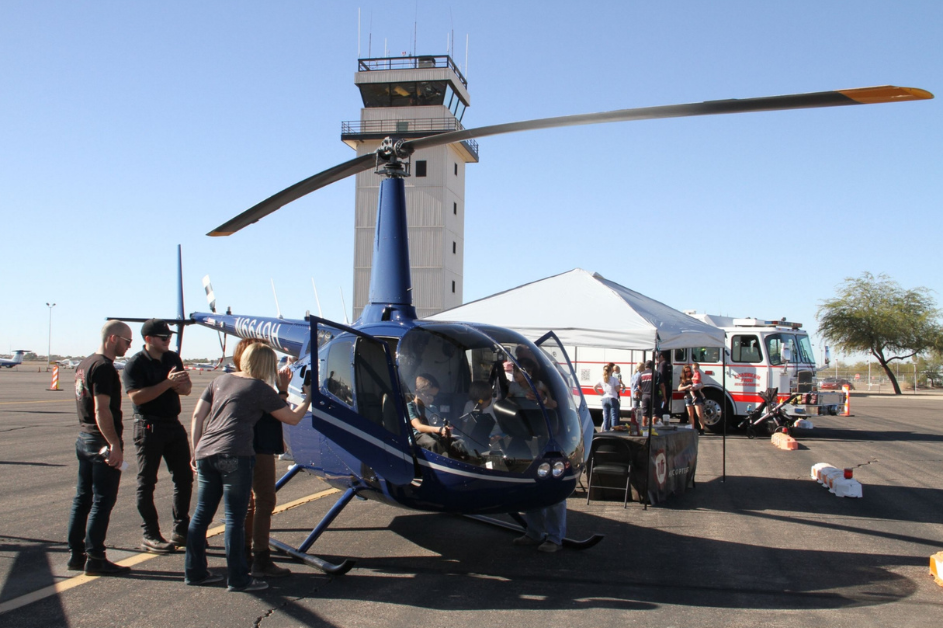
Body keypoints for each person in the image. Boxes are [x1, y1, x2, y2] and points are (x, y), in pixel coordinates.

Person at [185, 343, 312, 592]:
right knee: (235, 517)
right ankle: (239, 578)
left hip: (206, 452)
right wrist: (309, 397)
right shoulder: (259, 387)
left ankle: (195, 572)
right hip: (236, 454)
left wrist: (195, 450)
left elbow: (197, 416)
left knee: (201, 515)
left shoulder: (220, 381)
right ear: (266, 365)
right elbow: (292, 418)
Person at [67, 321, 134, 576]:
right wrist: (114, 444)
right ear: (113, 339)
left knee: (82, 498)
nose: (129, 346)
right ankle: (95, 557)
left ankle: (76, 554)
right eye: (127, 341)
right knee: (102, 501)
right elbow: (101, 409)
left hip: (84, 438)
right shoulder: (105, 368)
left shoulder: (85, 363)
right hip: (100, 442)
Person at [122, 318, 193, 553]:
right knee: (147, 481)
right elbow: (137, 397)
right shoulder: (135, 364)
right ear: (148, 339)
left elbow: (186, 389)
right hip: (148, 426)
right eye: (164, 338)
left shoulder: (173, 358)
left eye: (169, 337)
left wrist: (178, 386)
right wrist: (168, 383)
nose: (168, 340)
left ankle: (181, 529)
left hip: (172, 424)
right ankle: (150, 533)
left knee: (184, 477)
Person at [233, 338, 293, 579]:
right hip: (258, 449)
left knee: (245, 505)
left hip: (236, 448)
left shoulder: (228, 383)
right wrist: (284, 389)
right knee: (264, 501)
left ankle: (243, 554)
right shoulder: (260, 388)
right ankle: (260, 557)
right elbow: (287, 416)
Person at [407, 373, 451, 454]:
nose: (431, 399)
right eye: (429, 395)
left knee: (457, 443)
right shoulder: (410, 407)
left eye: (434, 396)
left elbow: (438, 424)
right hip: (417, 437)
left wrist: (445, 429)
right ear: (417, 392)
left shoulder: (433, 408)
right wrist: (439, 429)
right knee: (433, 443)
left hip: (432, 434)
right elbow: (418, 427)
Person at [593, 362, 621, 432]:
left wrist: (600, 393)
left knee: (606, 416)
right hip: (613, 398)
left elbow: (594, 387)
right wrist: (619, 386)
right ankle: (614, 430)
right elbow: (617, 389)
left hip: (604, 398)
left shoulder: (601, 379)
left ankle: (606, 430)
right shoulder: (614, 379)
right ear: (611, 371)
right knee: (613, 415)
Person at [690, 361, 708, 435]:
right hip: (697, 385)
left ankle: (702, 428)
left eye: (695, 368)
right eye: (693, 368)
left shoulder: (696, 373)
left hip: (697, 386)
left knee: (699, 414)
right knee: (692, 414)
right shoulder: (694, 373)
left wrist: (693, 379)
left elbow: (697, 379)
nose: (694, 369)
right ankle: (696, 428)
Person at [637, 360, 657, 426]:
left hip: (645, 395)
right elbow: (662, 385)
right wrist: (664, 396)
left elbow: (639, 386)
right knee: (654, 413)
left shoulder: (641, 374)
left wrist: (643, 391)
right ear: (652, 366)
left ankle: (644, 427)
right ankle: (654, 427)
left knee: (645, 413)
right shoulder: (656, 373)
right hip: (654, 395)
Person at [656, 351, 672, 420]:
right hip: (669, 387)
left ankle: (662, 420)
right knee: (666, 405)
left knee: (662, 405)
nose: (656, 360)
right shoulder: (669, 364)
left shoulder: (662, 364)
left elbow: (661, 376)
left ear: (661, 356)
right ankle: (666, 419)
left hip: (664, 388)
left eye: (657, 357)